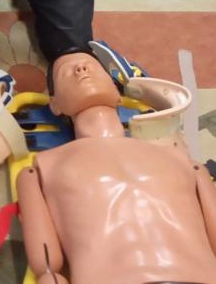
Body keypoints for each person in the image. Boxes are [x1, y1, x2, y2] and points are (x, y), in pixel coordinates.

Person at [16, 49, 216, 284]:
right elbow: (46, 266)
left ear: (117, 93)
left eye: (91, 66)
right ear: (55, 105)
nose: (81, 69)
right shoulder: (45, 167)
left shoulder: (180, 160)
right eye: (65, 72)